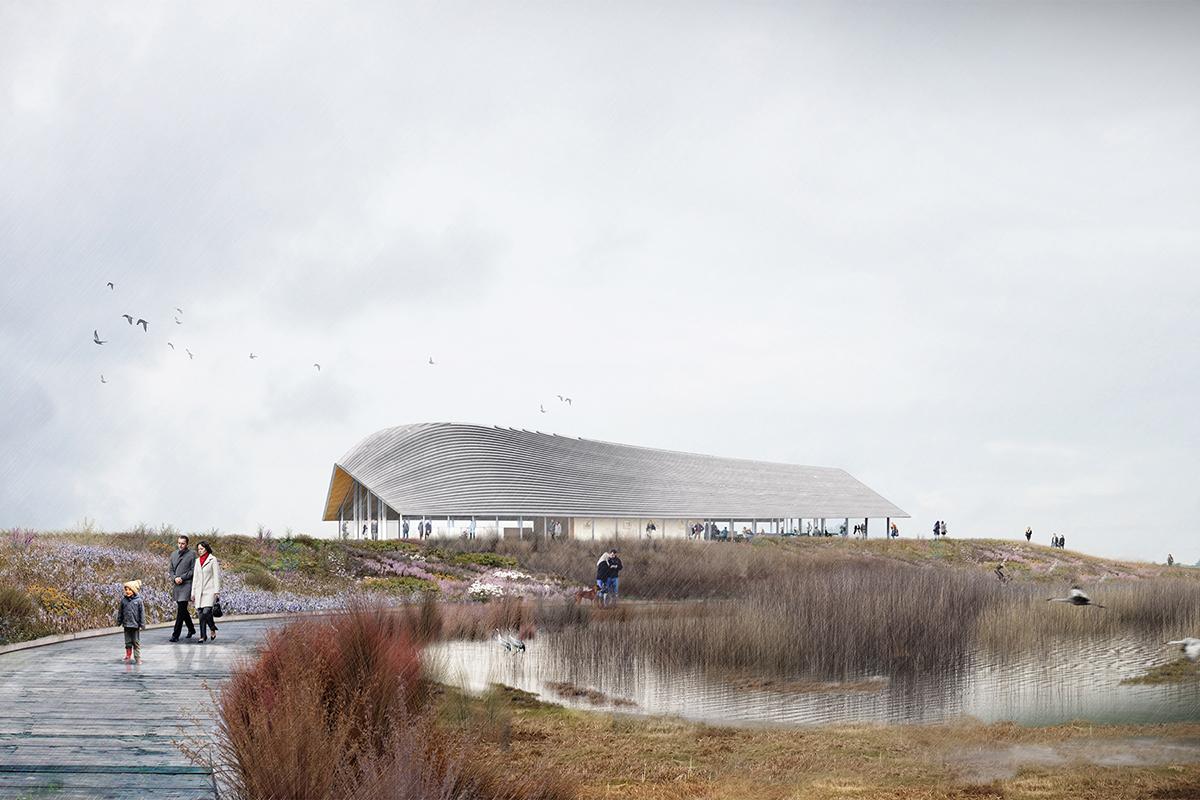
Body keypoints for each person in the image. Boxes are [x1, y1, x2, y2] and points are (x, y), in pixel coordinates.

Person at [191, 540, 222, 644]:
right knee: (200, 614)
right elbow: (195, 578)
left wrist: (217, 591)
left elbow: (216, 576)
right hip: (199, 591)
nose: (200, 551)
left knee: (206, 611)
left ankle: (212, 628)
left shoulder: (212, 560)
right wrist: (193, 592)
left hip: (210, 590)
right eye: (198, 549)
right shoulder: (197, 561)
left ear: (206, 548)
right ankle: (202, 636)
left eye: (202, 549)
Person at [168, 535, 196, 642]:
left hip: (186, 584)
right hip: (177, 585)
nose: (180, 545)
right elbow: (171, 570)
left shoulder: (192, 554)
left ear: (187, 544)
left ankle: (175, 635)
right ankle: (191, 628)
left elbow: (193, 571)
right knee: (183, 609)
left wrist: (182, 578)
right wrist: (175, 578)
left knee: (181, 610)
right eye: (179, 543)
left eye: (183, 543)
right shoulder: (173, 554)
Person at [116, 580, 145, 663]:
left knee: (136, 642)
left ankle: (137, 657)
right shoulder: (123, 601)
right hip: (126, 624)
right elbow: (120, 612)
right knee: (128, 642)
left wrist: (142, 624)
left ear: (134, 590)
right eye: (126, 590)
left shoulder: (139, 601)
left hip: (135, 625)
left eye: (129, 589)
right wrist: (119, 621)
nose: (127, 591)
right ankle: (128, 655)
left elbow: (142, 613)